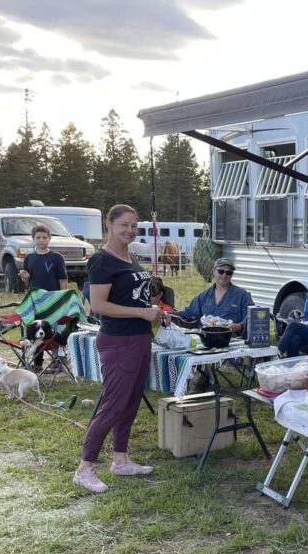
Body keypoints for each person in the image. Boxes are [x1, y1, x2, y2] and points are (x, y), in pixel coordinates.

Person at [75, 204, 171, 494]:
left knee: (130, 403)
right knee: (112, 406)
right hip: (118, 342)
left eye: (134, 225)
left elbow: (131, 298)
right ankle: (84, 469)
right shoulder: (102, 260)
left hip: (139, 338)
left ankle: (120, 460)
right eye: (124, 225)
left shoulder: (129, 256)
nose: (130, 230)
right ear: (109, 224)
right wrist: (142, 314)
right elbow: (99, 305)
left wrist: (153, 310)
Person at [173, 257, 253, 332]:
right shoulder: (204, 296)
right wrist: (166, 313)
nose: (224, 275)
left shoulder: (242, 295)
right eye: (221, 271)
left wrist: (238, 326)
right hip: (207, 339)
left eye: (228, 273)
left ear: (232, 275)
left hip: (232, 339)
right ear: (214, 271)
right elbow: (187, 313)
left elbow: (252, 317)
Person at [19, 225, 68, 292]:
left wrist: (63, 297)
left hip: (53, 296)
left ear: (49, 238)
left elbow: (63, 280)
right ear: (33, 239)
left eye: (44, 237)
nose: (41, 240)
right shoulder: (28, 258)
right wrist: (26, 278)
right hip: (35, 296)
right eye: (38, 238)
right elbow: (27, 284)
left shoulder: (57, 257)